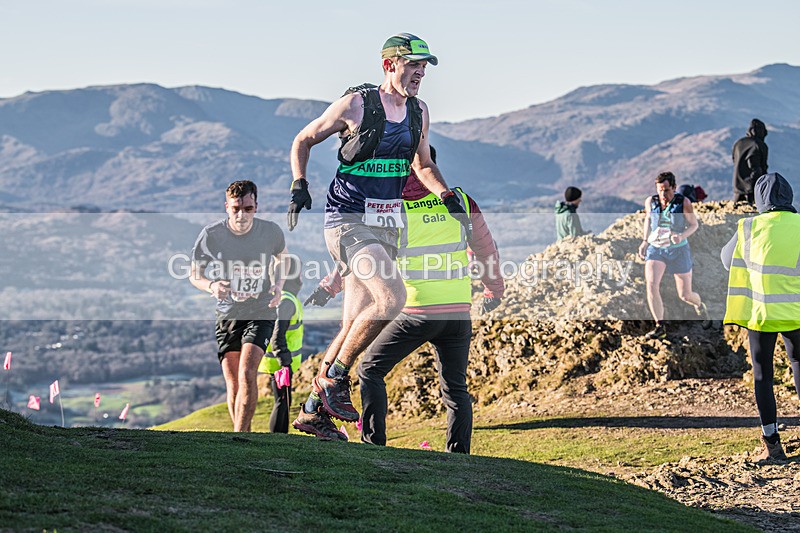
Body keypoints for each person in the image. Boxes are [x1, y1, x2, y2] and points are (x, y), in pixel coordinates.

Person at [287, 33, 468, 440]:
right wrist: (300, 183)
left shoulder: (420, 111)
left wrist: (446, 194)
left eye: (425, 66)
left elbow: (423, 164)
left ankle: (314, 412)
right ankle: (334, 379)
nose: (420, 72)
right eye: (412, 64)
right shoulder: (356, 104)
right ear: (389, 65)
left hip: (387, 226)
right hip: (346, 220)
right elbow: (304, 138)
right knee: (392, 298)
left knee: (353, 321)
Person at [306, 147, 505, 451]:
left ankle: (373, 444)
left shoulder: (394, 210)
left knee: (369, 370)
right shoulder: (462, 202)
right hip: (457, 313)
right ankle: (460, 456)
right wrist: (494, 290)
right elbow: (487, 251)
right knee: (456, 388)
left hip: (416, 312)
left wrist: (330, 287)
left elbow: (363, 253)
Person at [190, 180, 289, 432]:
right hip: (227, 313)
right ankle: (238, 437)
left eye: (247, 208)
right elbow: (194, 274)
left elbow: (282, 258)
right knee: (233, 382)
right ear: (227, 207)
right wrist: (212, 286)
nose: (241, 214)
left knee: (247, 372)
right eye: (236, 208)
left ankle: (241, 436)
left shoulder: (270, 231)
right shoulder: (212, 235)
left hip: (261, 310)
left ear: (256, 207)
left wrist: (278, 284)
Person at [721, 172, 800, 461]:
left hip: (761, 314)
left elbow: (726, 260)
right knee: (798, 365)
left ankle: (772, 442)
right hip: (797, 313)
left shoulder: (748, 227)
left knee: (763, 376)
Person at [638, 171, 711, 339]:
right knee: (651, 284)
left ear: (674, 187)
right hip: (656, 248)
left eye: (666, 190)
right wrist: (644, 241)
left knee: (685, 295)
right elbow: (648, 219)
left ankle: (700, 305)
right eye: (660, 190)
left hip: (678, 249)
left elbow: (694, 225)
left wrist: (682, 236)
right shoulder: (651, 201)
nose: (663, 194)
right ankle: (660, 326)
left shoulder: (684, 202)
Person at [257, 258, 304, 434]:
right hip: (280, 363)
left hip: (279, 362)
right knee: (281, 401)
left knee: (284, 401)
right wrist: (285, 360)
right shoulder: (286, 301)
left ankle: (281, 437)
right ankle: (277, 438)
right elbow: (277, 336)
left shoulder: (285, 298)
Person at [732, 119, 769, 204]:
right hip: (754, 185)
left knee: (737, 211)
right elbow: (760, 167)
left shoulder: (738, 143)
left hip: (737, 184)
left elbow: (734, 160)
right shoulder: (759, 145)